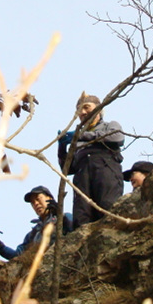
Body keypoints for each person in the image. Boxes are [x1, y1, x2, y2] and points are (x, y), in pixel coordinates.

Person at [58, 94, 124, 229]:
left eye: (86, 107)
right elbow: (68, 169)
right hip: (82, 177)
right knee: (82, 218)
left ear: (99, 109)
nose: (82, 113)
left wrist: (83, 135)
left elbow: (117, 138)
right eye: (79, 111)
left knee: (108, 208)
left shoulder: (110, 125)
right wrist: (62, 147)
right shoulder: (76, 140)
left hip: (106, 170)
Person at [0, 186, 73, 260]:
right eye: (33, 203)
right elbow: (17, 255)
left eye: (38, 199)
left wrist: (60, 215)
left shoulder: (65, 217)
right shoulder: (33, 234)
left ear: (49, 198)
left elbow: (76, 233)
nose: (36, 203)